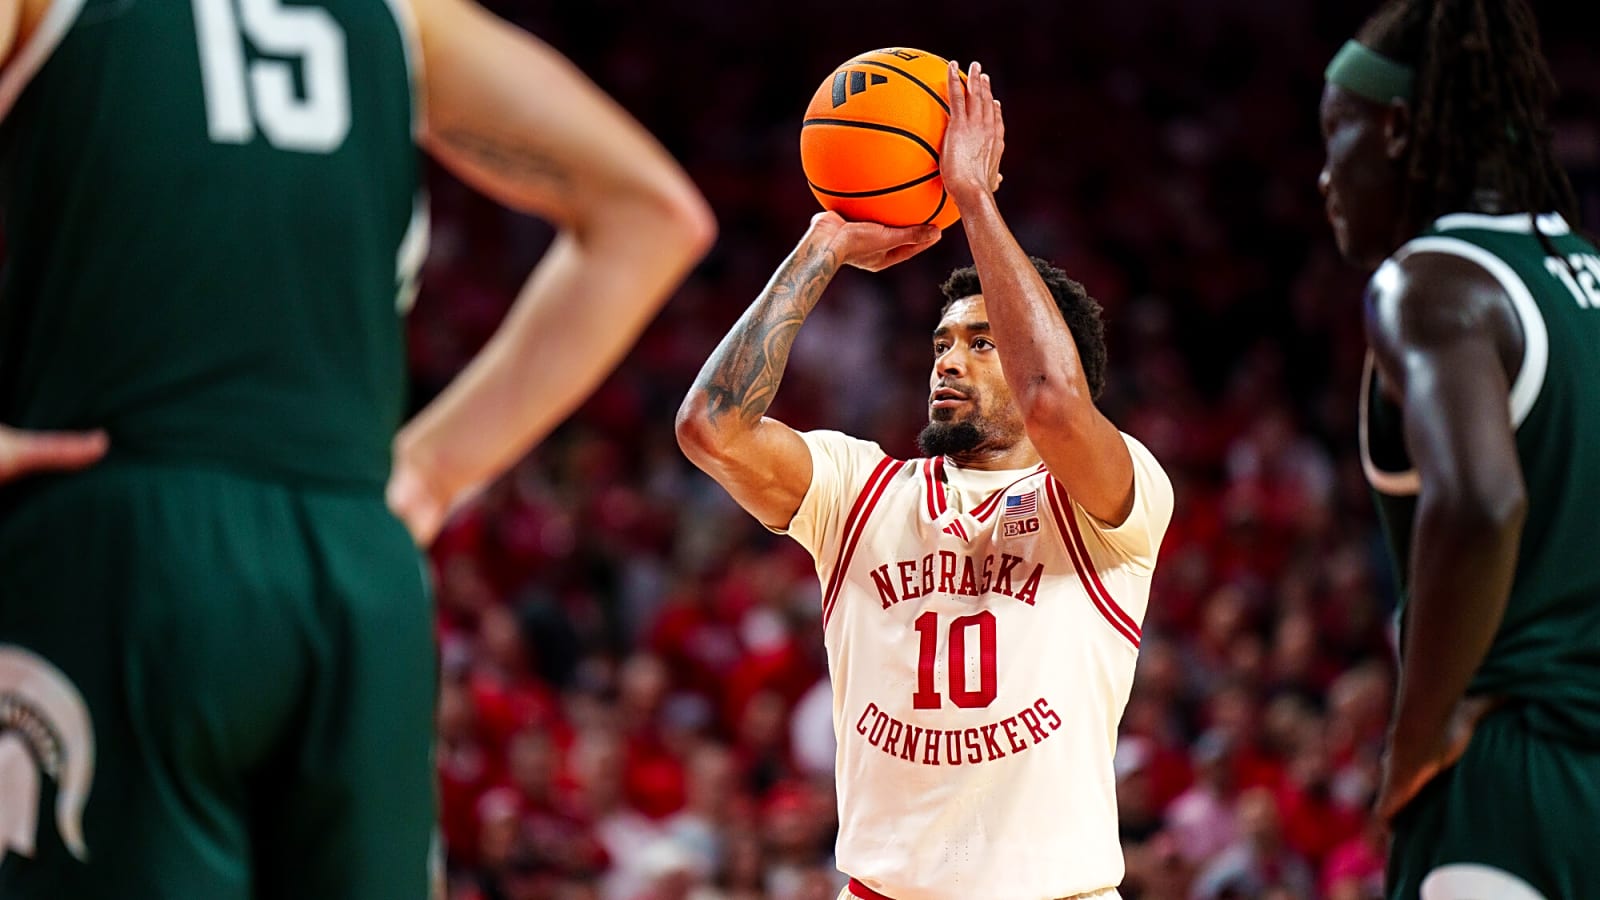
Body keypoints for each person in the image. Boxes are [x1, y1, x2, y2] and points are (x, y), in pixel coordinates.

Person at [0, 0, 714, 896]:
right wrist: (438, 466)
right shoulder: (402, 14)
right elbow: (653, 214)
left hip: (127, 543)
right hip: (356, 564)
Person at [678, 60, 1173, 900]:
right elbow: (709, 427)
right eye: (942, 343)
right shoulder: (859, 490)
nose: (949, 360)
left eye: (982, 343)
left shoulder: (1112, 502)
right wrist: (823, 242)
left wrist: (974, 199)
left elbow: (1052, 404)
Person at [1318, 0, 1600, 897]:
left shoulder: (1427, 283)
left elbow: (1481, 502)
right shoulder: (1588, 276)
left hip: (1508, 772)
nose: (1325, 178)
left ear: (1398, 129)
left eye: (1336, 137)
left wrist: (1415, 738)